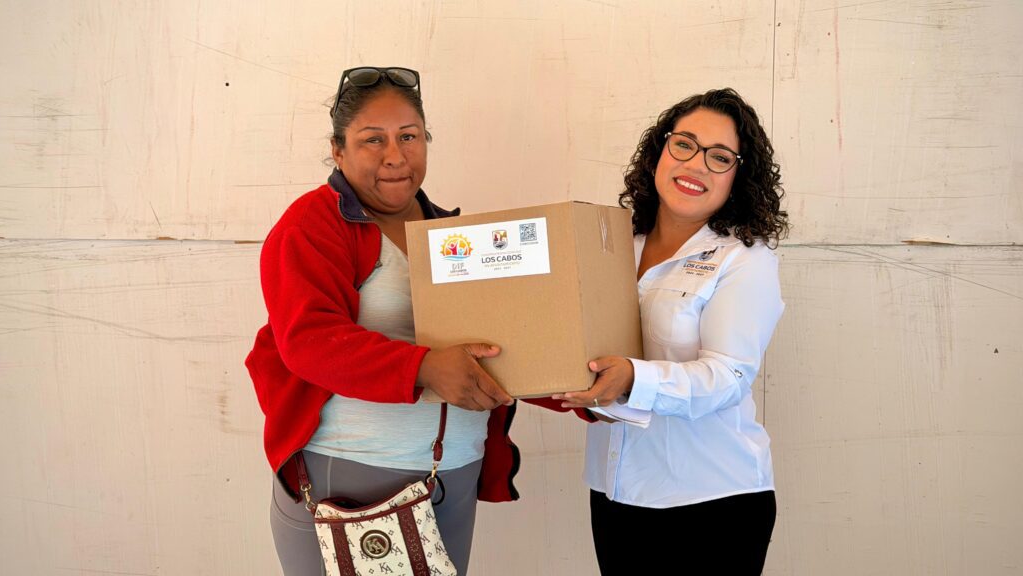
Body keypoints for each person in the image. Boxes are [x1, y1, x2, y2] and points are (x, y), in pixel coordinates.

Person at [245, 66, 521, 576]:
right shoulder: (313, 223)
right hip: (354, 477)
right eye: (373, 139)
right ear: (338, 150)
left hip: (454, 472)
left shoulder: (453, 234)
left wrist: (578, 381)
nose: (395, 155)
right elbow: (308, 340)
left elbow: (497, 340)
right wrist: (424, 367)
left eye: (409, 137)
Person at [554, 88, 790, 575]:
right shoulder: (613, 245)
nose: (696, 165)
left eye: (719, 157)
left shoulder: (745, 259)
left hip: (710, 500)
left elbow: (728, 376)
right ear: (659, 151)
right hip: (615, 490)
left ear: (739, 176)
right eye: (684, 144)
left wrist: (633, 378)